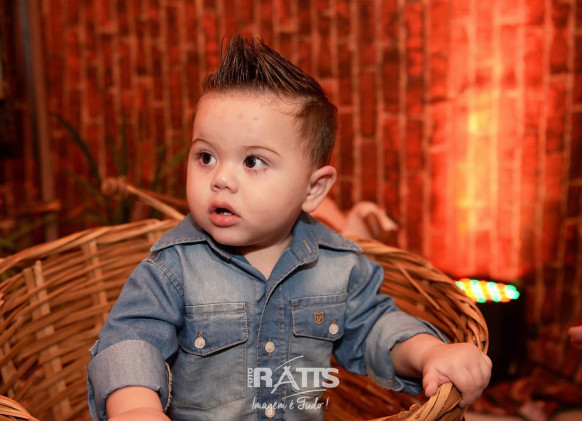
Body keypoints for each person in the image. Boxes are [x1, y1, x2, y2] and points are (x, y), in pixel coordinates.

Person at [87, 36, 491, 421]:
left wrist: (429, 353)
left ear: (313, 190)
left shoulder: (337, 266)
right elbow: (131, 340)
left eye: (253, 162)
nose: (220, 179)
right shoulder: (172, 267)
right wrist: (134, 408)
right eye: (206, 156)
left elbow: (375, 326)